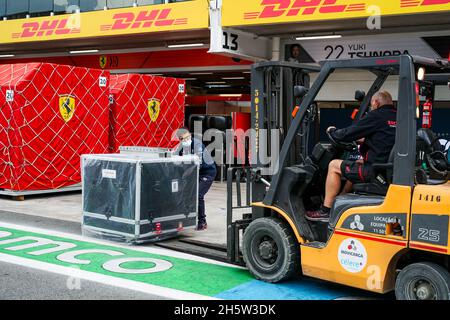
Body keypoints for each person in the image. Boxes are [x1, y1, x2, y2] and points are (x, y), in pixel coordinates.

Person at [306, 90, 397, 222]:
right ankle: (341, 200)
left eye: (372, 105)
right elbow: (384, 140)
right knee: (356, 164)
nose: (372, 108)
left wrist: (333, 131)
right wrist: (366, 141)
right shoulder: (397, 117)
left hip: (375, 171)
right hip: (386, 169)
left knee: (333, 166)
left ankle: (325, 210)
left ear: (376, 103)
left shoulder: (376, 116)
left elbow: (348, 133)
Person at [176, 128, 217, 231]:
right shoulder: (182, 146)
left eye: (189, 137)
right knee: (185, 193)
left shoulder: (197, 144)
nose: (188, 139)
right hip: (195, 173)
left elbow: (198, 162)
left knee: (198, 195)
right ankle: (188, 218)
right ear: (180, 140)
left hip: (207, 172)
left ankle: (202, 222)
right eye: (185, 139)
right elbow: (175, 157)